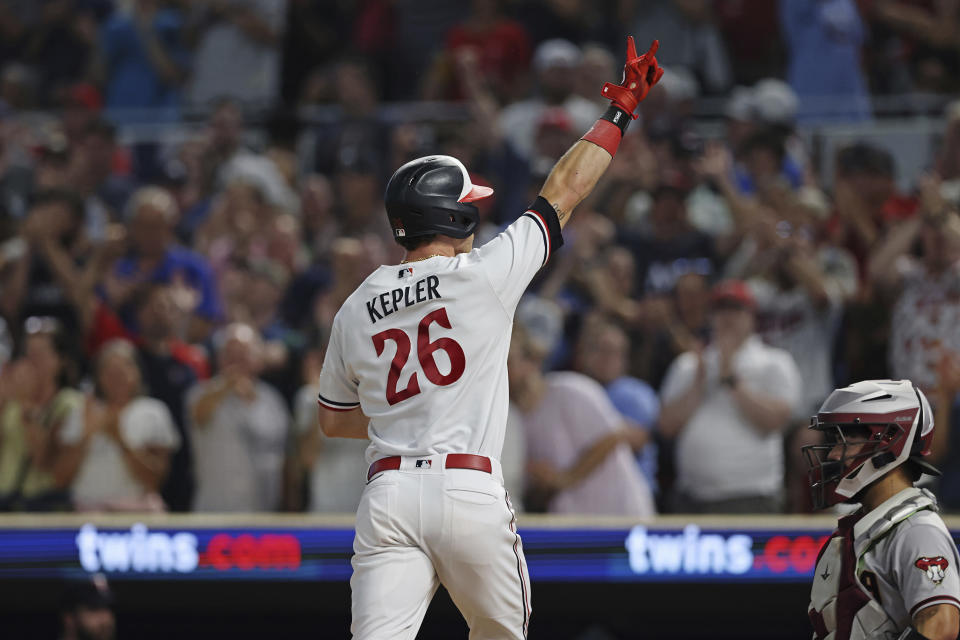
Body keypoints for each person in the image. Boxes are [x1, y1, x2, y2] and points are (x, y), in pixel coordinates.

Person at [316, 37, 664, 639]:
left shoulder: (357, 303)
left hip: (389, 493)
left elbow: (332, 420)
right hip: (466, 488)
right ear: (453, 216)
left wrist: (404, 414)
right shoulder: (483, 275)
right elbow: (565, 190)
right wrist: (620, 110)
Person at [804, 379, 960, 640]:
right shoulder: (866, 527)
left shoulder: (916, 530)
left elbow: (942, 625)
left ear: (890, 439)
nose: (833, 455)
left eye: (847, 440)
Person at [658, 279, 802, 512]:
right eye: (720, 309)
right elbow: (666, 426)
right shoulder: (688, 365)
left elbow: (775, 421)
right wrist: (698, 383)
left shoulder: (774, 362)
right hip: (691, 497)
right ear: (711, 317)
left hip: (751, 496)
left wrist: (732, 381)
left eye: (736, 309)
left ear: (751, 316)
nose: (728, 317)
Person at [510, 322, 656, 515]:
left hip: (622, 515)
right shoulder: (513, 420)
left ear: (532, 362)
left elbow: (612, 436)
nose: (504, 372)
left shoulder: (571, 387)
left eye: (509, 362)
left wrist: (566, 477)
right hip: (574, 526)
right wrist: (545, 482)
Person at [54, 339, 180, 511]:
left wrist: (119, 439)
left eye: (124, 368)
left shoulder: (153, 411)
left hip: (137, 517)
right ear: (98, 376)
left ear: (137, 372)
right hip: (87, 517)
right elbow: (60, 479)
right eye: (109, 370)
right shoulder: (82, 412)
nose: (117, 376)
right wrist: (86, 435)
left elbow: (155, 481)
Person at [187, 322, 290, 512]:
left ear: (258, 358)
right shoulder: (201, 393)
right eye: (230, 354)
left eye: (244, 353)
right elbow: (198, 414)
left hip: (263, 513)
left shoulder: (272, 400)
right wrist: (228, 384)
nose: (237, 360)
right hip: (215, 513)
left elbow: (282, 456)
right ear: (219, 358)